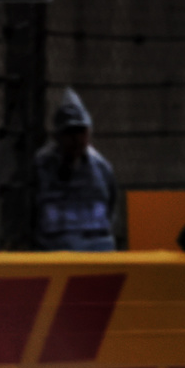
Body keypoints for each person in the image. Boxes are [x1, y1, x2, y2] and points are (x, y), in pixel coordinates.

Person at [31, 88, 118, 251]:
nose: (75, 139)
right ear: (57, 136)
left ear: (88, 133)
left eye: (80, 131)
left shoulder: (102, 168)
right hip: (54, 257)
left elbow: (111, 209)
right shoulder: (40, 167)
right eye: (69, 132)